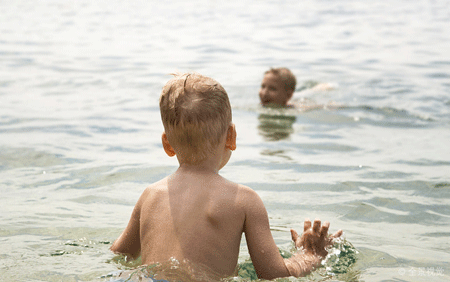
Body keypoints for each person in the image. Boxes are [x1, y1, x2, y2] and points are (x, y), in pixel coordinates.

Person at [110, 72, 342, 281]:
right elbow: (273, 274)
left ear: (167, 144)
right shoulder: (244, 200)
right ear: (231, 136)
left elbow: (119, 254)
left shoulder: (150, 195)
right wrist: (309, 256)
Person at [259, 67, 335, 109]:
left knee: (308, 92)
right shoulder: (261, 105)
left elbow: (322, 106)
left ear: (288, 95)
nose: (264, 93)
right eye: (263, 87)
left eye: (272, 89)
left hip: (301, 99)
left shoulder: (296, 108)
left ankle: (322, 87)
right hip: (295, 96)